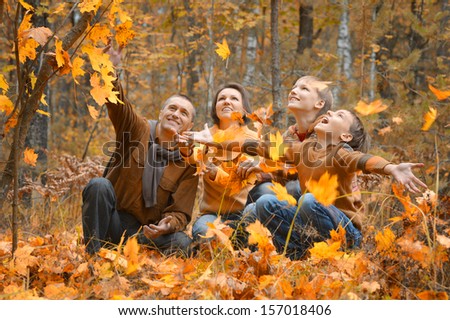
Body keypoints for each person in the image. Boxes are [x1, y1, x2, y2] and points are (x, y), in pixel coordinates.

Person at [250, 109, 427, 260]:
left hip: (346, 234)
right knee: (265, 203)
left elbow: (363, 160)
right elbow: (264, 147)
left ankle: (339, 254)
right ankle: (298, 255)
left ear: (345, 136)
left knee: (309, 200)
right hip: (311, 228)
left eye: (339, 115)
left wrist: (391, 167)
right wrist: (224, 144)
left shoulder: (342, 154)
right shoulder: (304, 150)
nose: (329, 112)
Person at [81, 47, 198, 257]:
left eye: (183, 113)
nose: (175, 114)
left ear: (189, 125)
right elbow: (119, 106)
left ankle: (141, 259)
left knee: (183, 243)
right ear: (162, 112)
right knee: (98, 185)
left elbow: (180, 212)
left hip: (145, 235)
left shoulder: (188, 163)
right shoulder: (138, 129)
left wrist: (166, 225)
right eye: (172, 108)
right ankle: (93, 256)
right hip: (113, 221)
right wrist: (110, 70)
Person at [180, 83, 258, 248]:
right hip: (212, 215)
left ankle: (238, 241)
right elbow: (193, 158)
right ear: (215, 108)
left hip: (243, 213)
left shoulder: (253, 139)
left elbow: (240, 181)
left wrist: (215, 172)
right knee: (204, 233)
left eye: (234, 98)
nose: (226, 101)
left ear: (244, 109)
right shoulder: (205, 135)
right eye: (221, 98)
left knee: (252, 230)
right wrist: (185, 149)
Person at [239, 75, 334, 204]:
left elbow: (310, 171)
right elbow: (278, 171)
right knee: (261, 190)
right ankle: (246, 221)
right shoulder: (289, 135)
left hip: (322, 202)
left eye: (304, 89)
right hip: (291, 198)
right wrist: (260, 171)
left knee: (294, 187)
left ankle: (299, 224)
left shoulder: (328, 131)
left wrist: (265, 169)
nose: (294, 91)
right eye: (294, 87)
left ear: (319, 103)